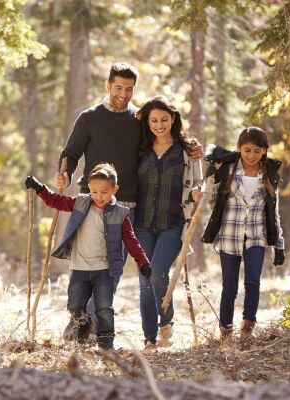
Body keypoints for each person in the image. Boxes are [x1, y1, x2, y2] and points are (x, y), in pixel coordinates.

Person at [54, 62, 203, 335]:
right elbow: (71, 153)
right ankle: (79, 320)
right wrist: (64, 172)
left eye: (129, 89)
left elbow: (165, 137)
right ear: (108, 85)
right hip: (91, 203)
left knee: (113, 269)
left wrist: (191, 146)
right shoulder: (89, 118)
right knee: (87, 264)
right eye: (119, 87)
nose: (123, 94)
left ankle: (90, 326)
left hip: (126, 207)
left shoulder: (138, 120)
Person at [25, 163, 151, 350]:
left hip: (104, 270)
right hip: (79, 268)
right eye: (94, 192)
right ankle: (83, 326)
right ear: (89, 189)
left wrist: (143, 262)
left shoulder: (120, 214)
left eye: (104, 192)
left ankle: (106, 344)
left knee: (104, 308)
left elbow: (131, 240)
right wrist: (39, 188)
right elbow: (57, 201)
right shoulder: (81, 203)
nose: (99, 197)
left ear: (115, 189)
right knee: (75, 305)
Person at [201, 127, 286, 346]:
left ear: (265, 151)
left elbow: (273, 212)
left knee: (253, 282)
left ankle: (248, 327)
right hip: (229, 236)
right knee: (229, 287)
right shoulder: (228, 169)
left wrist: (279, 244)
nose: (251, 156)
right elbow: (211, 201)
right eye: (247, 150)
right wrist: (208, 182)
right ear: (239, 148)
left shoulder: (269, 175)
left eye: (257, 151)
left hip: (256, 236)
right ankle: (225, 330)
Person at [134, 96, 203, 349]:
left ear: (173, 119)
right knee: (144, 279)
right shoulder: (140, 147)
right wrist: (141, 112)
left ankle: (166, 321)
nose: (159, 124)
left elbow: (198, 181)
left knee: (158, 273)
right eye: (154, 120)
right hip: (141, 224)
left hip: (173, 224)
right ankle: (149, 338)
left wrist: (198, 191)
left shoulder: (188, 150)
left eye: (164, 119)